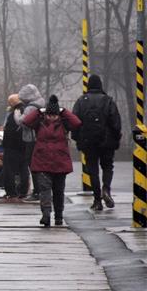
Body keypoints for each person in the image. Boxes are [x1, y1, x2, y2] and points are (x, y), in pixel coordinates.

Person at [23, 95, 82, 227]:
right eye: (49, 115)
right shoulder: (39, 123)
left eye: (54, 115)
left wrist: (63, 111)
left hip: (60, 163)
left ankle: (59, 216)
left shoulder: (64, 123)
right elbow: (26, 121)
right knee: (44, 190)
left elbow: (77, 122)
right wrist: (39, 111)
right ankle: (46, 214)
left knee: (58, 192)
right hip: (42, 162)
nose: (51, 117)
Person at [71, 74, 122, 211]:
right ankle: (106, 188)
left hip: (88, 142)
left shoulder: (81, 101)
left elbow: (74, 122)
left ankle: (97, 200)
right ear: (100, 85)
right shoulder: (108, 100)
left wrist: (77, 138)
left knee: (92, 170)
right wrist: (116, 138)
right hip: (106, 141)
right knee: (107, 166)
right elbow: (115, 123)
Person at [17, 84, 45, 200]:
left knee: (32, 165)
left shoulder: (30, 108)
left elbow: (22, 121)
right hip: (40, 138)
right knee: (40, 165)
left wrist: (17, 115)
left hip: (31, 139)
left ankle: (37, 191)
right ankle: (42, 189)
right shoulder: (42, 103)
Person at [2, 93, 29, 201]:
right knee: (23, 169)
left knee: (9, 170)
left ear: (12, 103)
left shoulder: (16, 112)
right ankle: (23, 191)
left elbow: (12, 128)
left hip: (12, 145)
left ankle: (11, 192)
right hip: (23, 145)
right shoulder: (25, 110)